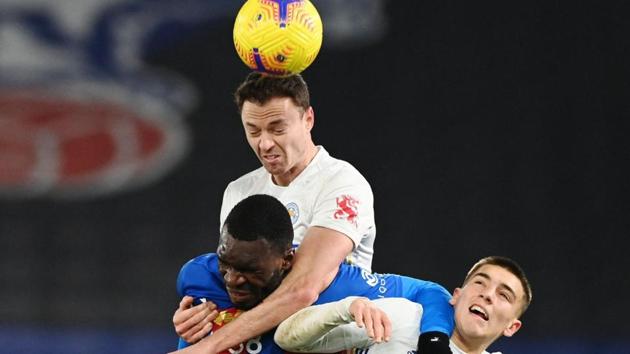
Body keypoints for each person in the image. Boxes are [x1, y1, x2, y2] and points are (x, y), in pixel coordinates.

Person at [172, 72, 377, 349]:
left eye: (277, 129)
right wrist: (199, 318)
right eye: (253, 131)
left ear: (308, 119)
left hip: (329, 343)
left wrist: (206, 347)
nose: (265, 144)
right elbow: (240, 284)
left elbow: (303, 289)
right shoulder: (239, 191)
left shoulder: (342, 184)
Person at [170, 194, 455, 354]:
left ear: (286, 261)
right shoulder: (199, 275)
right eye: (226, 264)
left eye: (249, 270)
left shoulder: (338, 284)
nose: (232, 279)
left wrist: (434, 341)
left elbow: (429, 292)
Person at [275, 256, 533, 354]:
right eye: (480, 283)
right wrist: (346, 308)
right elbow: (286, 337)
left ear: (513, 326)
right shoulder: (403, 316)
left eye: (504, 295)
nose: (487, 295)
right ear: (455, 296)